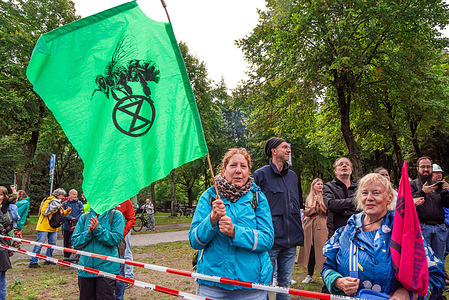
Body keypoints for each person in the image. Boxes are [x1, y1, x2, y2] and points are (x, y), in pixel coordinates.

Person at [321, 173, 445, 299]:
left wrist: (407, 294)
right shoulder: (344, 233)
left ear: (389, 197)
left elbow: (436, 276)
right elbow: (327, 268)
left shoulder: (405, 233)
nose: (369, 198)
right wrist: (337, 282)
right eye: (364, 193)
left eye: (376, 193)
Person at [189, 148, 274, 299]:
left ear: (249, 170)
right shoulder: (209, 196)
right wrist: (212, 220)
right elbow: (195, 241)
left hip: (251, 286)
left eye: (243, 166)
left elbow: (267, 239)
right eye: (233, 165)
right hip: (213, 284)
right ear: (224, 169)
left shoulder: (257, 198)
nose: (238, 171)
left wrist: (236, 232)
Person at [253, 137, 303, 299]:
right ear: (273, 151)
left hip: (291, 241)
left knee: (285, 284)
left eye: (289, 147)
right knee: (265, 284)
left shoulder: (293, 176)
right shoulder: (260, 175)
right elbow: (253, 207)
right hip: (270, 241)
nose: (288, 150)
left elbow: (297, 204)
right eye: (284, 147)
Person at [72, 206, 125, 300]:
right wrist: (88, 233)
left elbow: (116, 239)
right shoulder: (84, 217)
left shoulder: (116, 215)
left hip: (107, 270)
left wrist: (97, 230)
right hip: (85, 270)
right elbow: (75, 242)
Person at [410, 156, 449, 261]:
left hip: (440, 228)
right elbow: (408, 203)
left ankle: (439, 277)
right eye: (423, 167)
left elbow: (447, 204)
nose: (426, 169)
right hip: (422, 228)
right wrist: (423, 192)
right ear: (418, 168)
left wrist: (446, 191)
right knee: (422, 261)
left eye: (428, 167)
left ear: (432, 169)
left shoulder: (438, 185)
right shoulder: (412, 184)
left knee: (439, 260)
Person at [29, 188, 71, 268]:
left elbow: (61, 214)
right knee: (39, 244)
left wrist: (67, 211)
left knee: (52, 244)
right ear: (58, 195)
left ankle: (48, 259)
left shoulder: (59, 203)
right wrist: (56, 208)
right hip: (44, 227)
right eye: (62, 195)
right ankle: (33, 261)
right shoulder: (48, 201)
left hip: (53, 227)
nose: (63, 197)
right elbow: (44, 212)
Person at [296, 178, 328, 284]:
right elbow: (307, 211)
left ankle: (325, 275)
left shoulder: (326, 196)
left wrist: (320, 204)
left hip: (322, 226)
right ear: (313, 186)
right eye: (318, 184)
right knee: (311, 251)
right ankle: (309, 275)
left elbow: (327, 211)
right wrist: (314, 205)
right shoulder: (309, 198)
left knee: (322, 251)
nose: (320, 186)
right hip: (310, 227)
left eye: (321, 184)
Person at [323, 157, 358, 238]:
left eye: (347, 164)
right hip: (337, 233)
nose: (344, 166)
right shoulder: (328, 187)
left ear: (351, 170)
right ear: (335, 171)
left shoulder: (359, 187)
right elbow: (331, 205)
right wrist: (354, 201)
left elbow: (362, 206)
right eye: (341, 164)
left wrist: (341, 208)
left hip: (357, 232)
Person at [115, 199, 136, 299]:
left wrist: (122, 232)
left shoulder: (126, 200)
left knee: (125, 255)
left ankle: (129, 276)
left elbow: (132, 218)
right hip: (106, 238)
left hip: (121, 236)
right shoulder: (106, 196)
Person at [0, 185, 17, 300]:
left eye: (1, 194)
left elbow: (15, 197)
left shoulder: (6, 202)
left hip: (4, 235)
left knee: (2, 275)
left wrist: (14, 190)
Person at [62, 189, 84, 260]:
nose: (75, 196)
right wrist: (70, 218)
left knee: (74, 240)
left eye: (76, 194)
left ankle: (74, 256)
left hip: (76, 224)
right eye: (74, 194)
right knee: (66, 240)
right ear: (70, 195)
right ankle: (66, 255)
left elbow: (82, 213)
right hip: (67, 225)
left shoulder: (79, 203)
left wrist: (75, 219)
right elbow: (62, 213)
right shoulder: (65, 203)